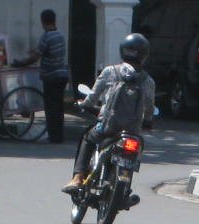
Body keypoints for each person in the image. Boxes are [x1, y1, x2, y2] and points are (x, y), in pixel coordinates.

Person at [62, 33, 155, 194]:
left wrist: (84, 104)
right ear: (144, 55)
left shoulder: (110, 71)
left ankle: (78, 177)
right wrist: (148, 121)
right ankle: (124, 190)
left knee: (87, 138)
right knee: (134, 153)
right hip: (132, 132)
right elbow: (149, 108)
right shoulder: (148, 81)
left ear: (123, 50)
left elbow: (93, 96)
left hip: (107, 127)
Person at [14, 9, 70, 143]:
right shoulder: (60, 35)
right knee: (59, 108)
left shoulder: (46, 37)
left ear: (43, 21)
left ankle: (53, 137)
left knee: (51, 108)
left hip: (51, 77)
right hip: (62, 75)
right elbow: (48, 52)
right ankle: (59, 136)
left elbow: (35, 57)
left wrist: (20, 63)